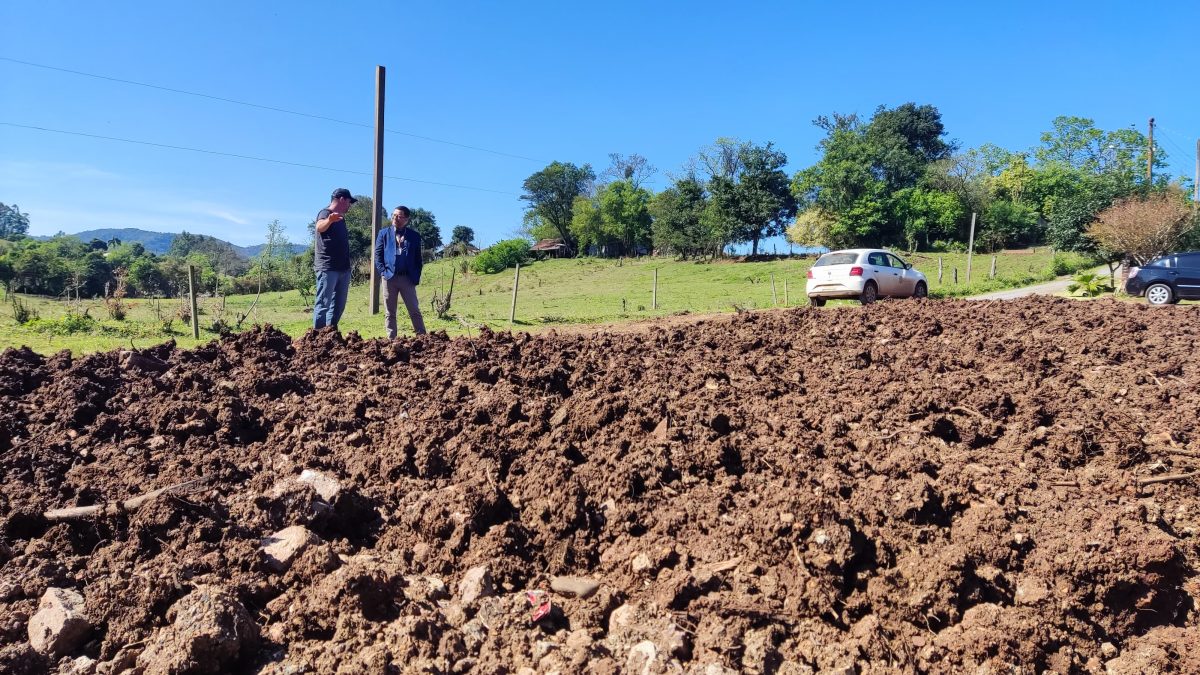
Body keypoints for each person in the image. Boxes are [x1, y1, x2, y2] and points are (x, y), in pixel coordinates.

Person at [374, 205, 426, 337]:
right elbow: (378, 256)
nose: (395, 218)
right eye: (394, 215)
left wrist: (415, 277)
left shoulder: (414, 236)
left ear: (406, 219)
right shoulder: (383, 234)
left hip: (407, 279)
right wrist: (383, 273)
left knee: (414, 310)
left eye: (399, 216)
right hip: (389, 278)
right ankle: (392, 339)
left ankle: (423, 337)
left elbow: (418, 260)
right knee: (390, 312)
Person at [313, 188, 355, 330]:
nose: (350, 205)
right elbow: (320, 227)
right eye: (349, 202)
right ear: (342, 199)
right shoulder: (325, 213)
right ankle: (317, 338)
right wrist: (329, 220)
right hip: (328, 267)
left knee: (338, 306)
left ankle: (331, 335)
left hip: (343, 268)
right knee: (323, 304)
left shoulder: (341, 218)